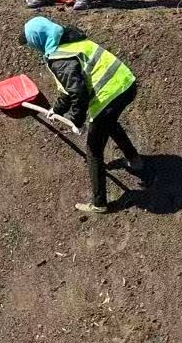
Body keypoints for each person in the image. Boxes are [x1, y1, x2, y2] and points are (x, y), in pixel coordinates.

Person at [22, 16, 142, 215]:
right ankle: (135, 161)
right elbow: (68, 90)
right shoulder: (71, 40)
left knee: (93, 150)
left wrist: (76, 121)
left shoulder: (60, 59)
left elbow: (78, 92)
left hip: (108, 94)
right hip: (126, 84)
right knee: (109, 122)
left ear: (38, 41)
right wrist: (57, 109)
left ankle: (99, 203)